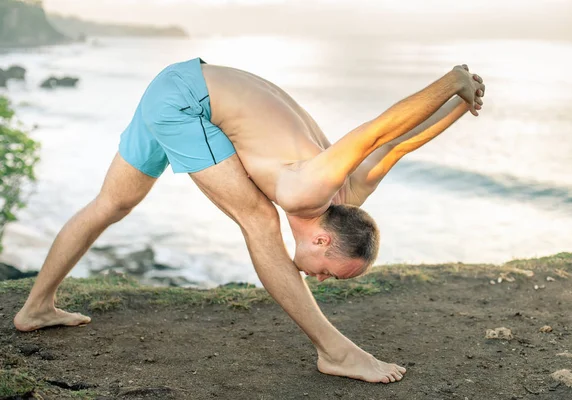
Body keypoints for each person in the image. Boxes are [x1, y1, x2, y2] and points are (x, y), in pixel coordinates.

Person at [14, 57, 484, 384]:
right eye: (326, 272)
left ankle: (35, 308)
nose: (318, 279)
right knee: (259, 219)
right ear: (322, 239)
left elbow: (400, 144)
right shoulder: (309, 192)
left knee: (111, 204)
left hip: (178, 84)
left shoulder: (352, 190)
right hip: (186, 101)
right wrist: (451, 81)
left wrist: (461, 105)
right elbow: (375, 131)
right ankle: (335, 351)